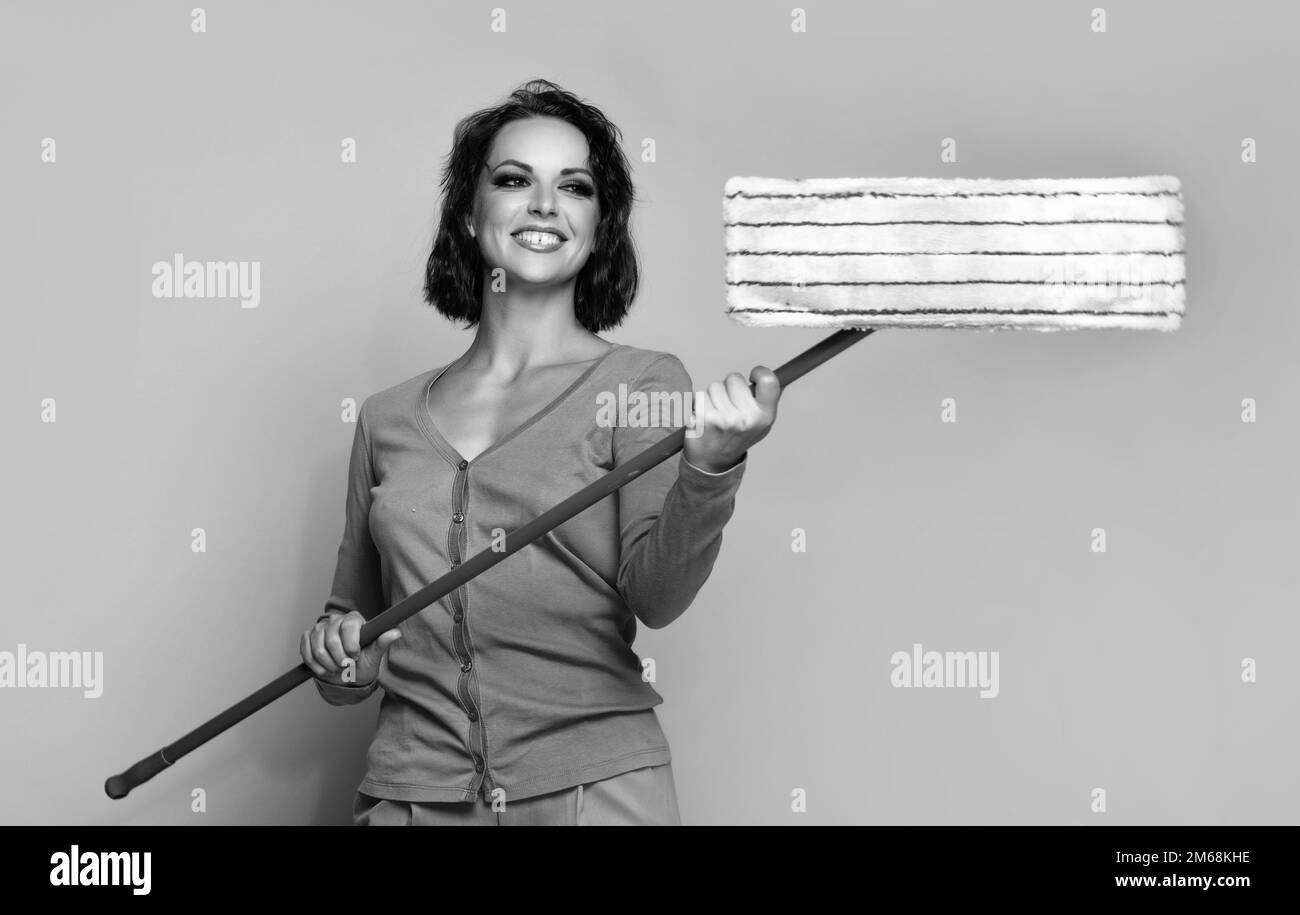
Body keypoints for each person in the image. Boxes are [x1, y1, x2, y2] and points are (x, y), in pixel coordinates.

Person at [299, 79, 782, 825]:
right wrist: (342, 662)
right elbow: (352, 626)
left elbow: (657, 597)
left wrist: (710, 468)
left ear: (599, 224)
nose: (545, 204)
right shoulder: (386, 418)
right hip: (410, 794)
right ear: (468, 211)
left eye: (576, 186)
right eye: (514, 178)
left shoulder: (642, 383)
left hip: (595, 794)